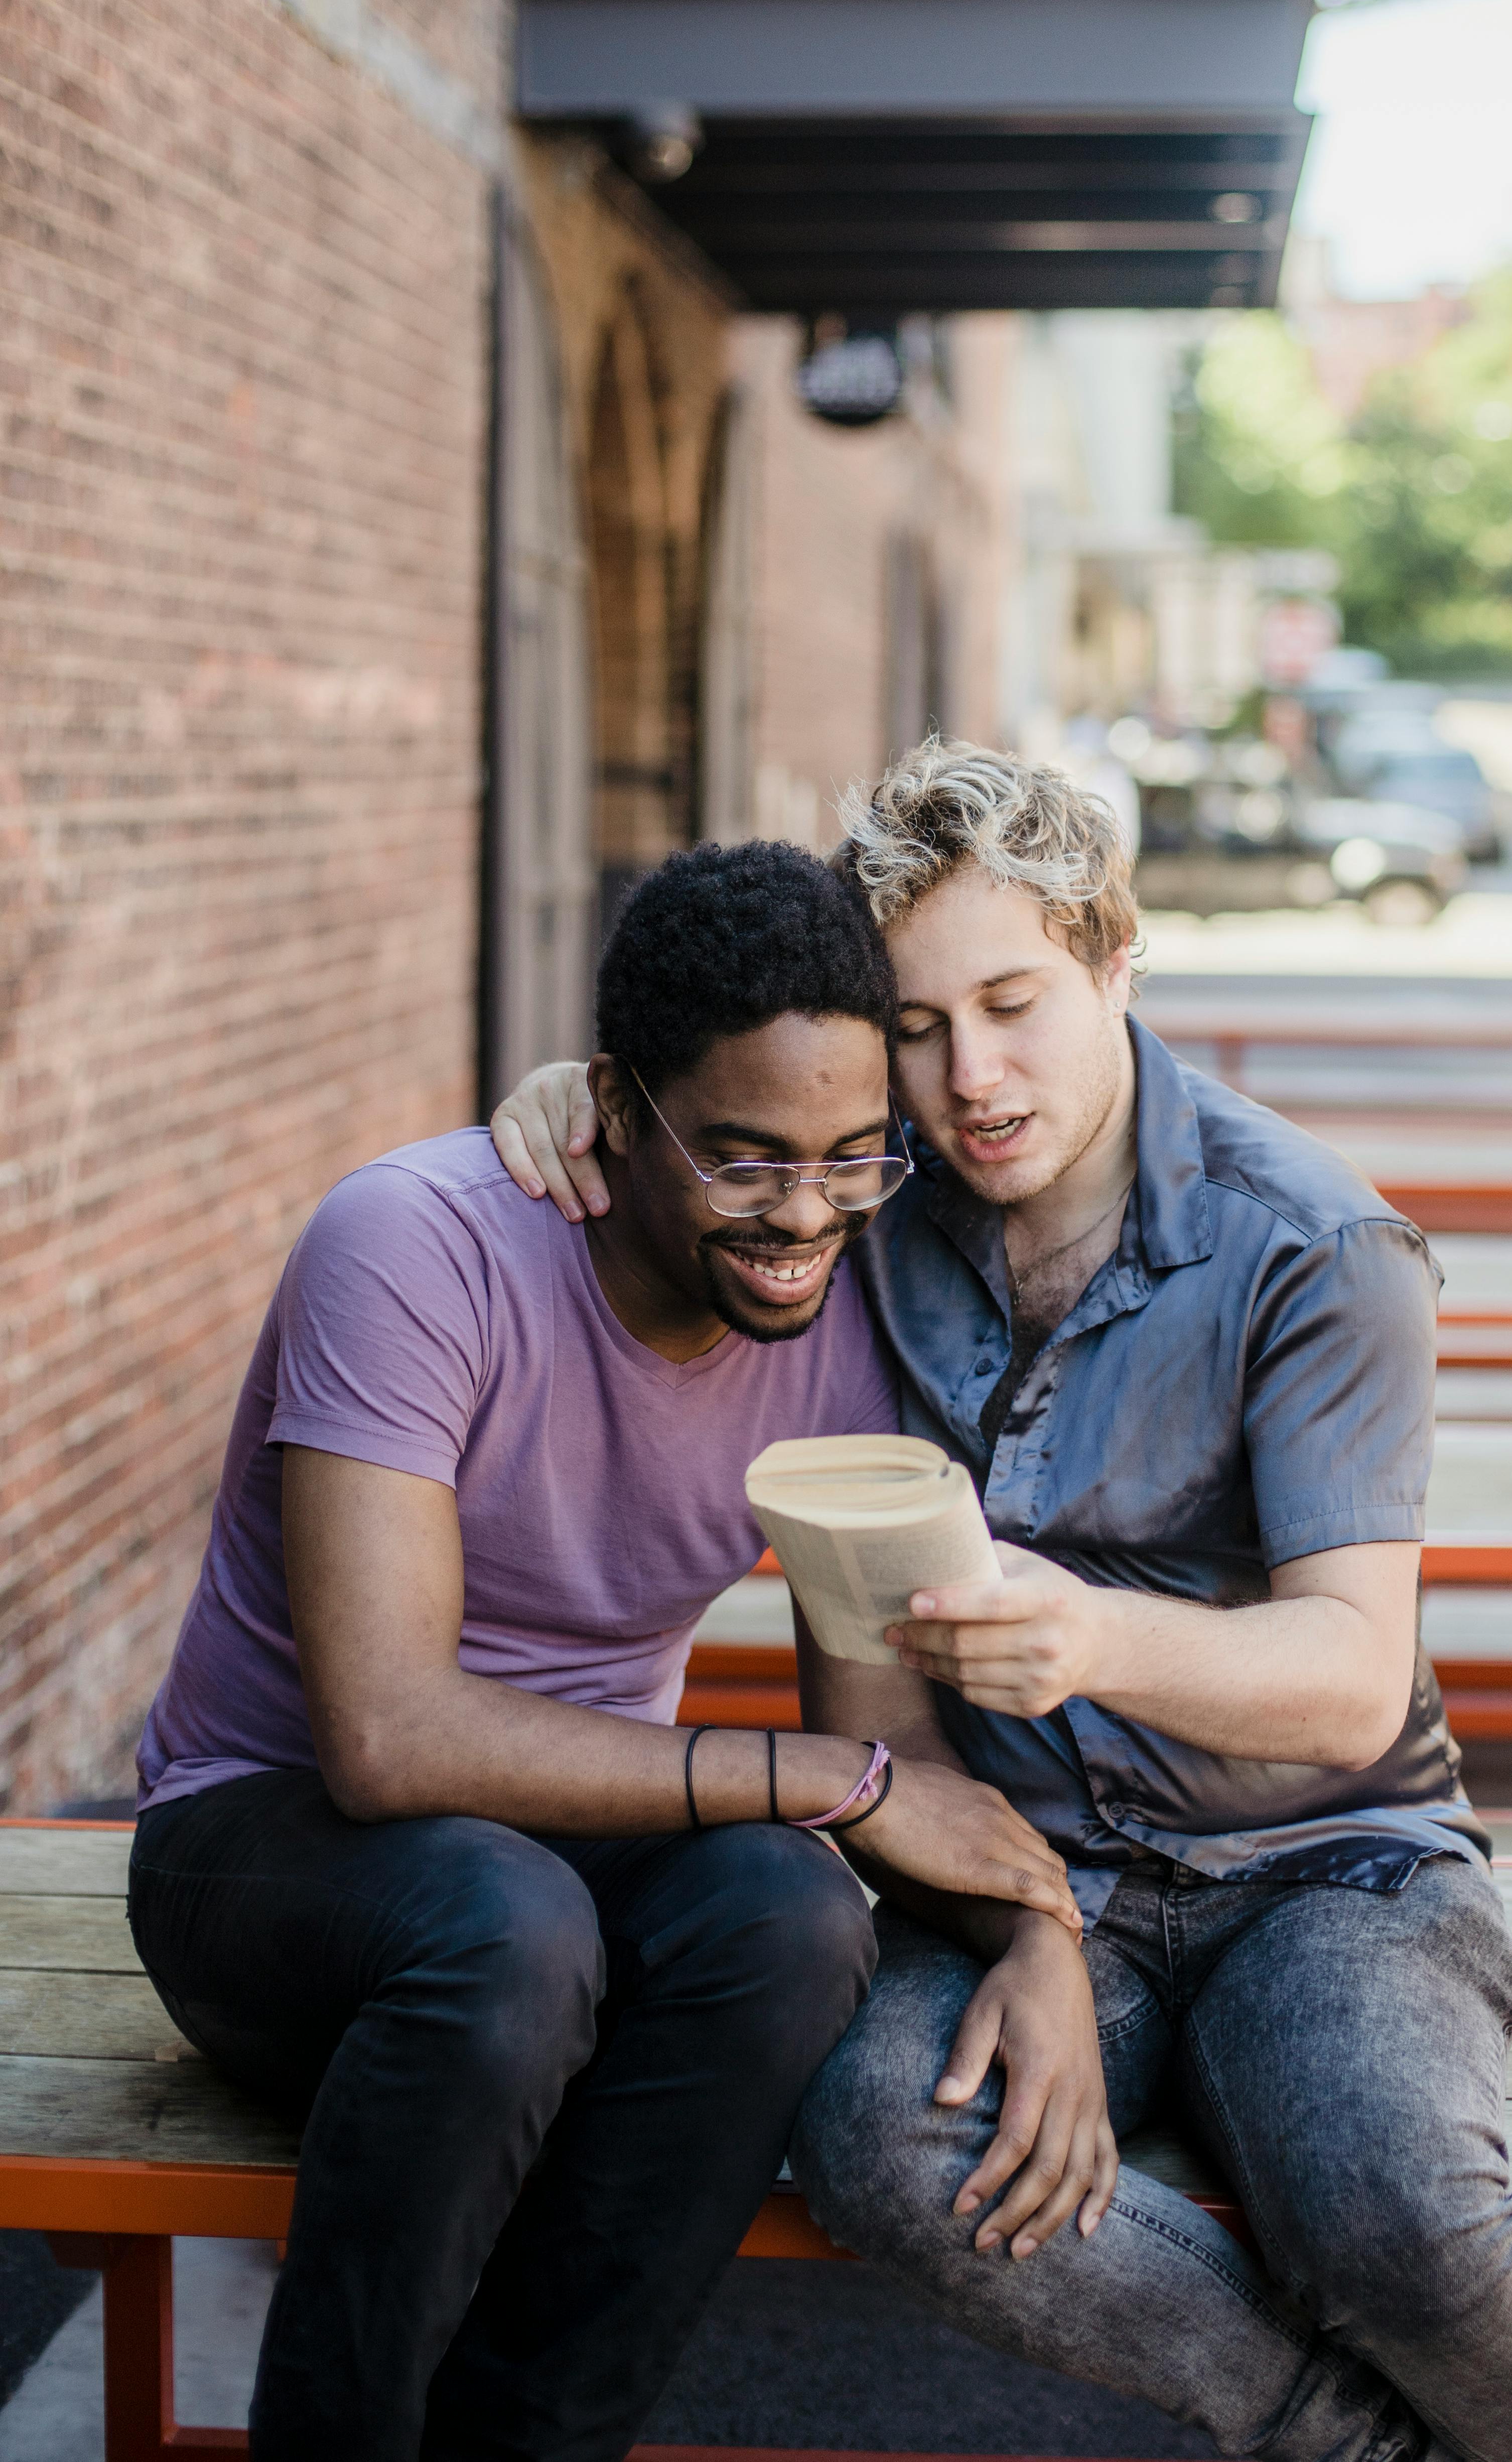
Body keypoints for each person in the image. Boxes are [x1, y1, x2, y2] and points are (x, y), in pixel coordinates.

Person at [492, 740, 1512, 2462]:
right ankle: (1349, 2443)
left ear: (1119, 955)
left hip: (1328, 1869)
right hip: (1016, 1865)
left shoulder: (1322, 1249)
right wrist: (571, 1097)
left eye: (1016, 999)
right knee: (887, 2135)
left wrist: (1094, 1635)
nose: (971, 1075)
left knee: (1394, 2213)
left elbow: (1351, 1686)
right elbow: (869, 1688)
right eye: (915, 1023)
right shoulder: (867, 1213)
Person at [128, 840, 1081, 2462]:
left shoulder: (843, 1316)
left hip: (569, 1869)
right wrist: (830, 1782)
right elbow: (387, 1736)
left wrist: (1035, 1938)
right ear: (616, 1112)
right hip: (272, 1853)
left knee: (788, 1918)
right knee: (507, 1927)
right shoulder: (413, 1249)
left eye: (854, 1158)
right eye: (744, 1159)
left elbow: (873, 1738)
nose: (803, 1215)